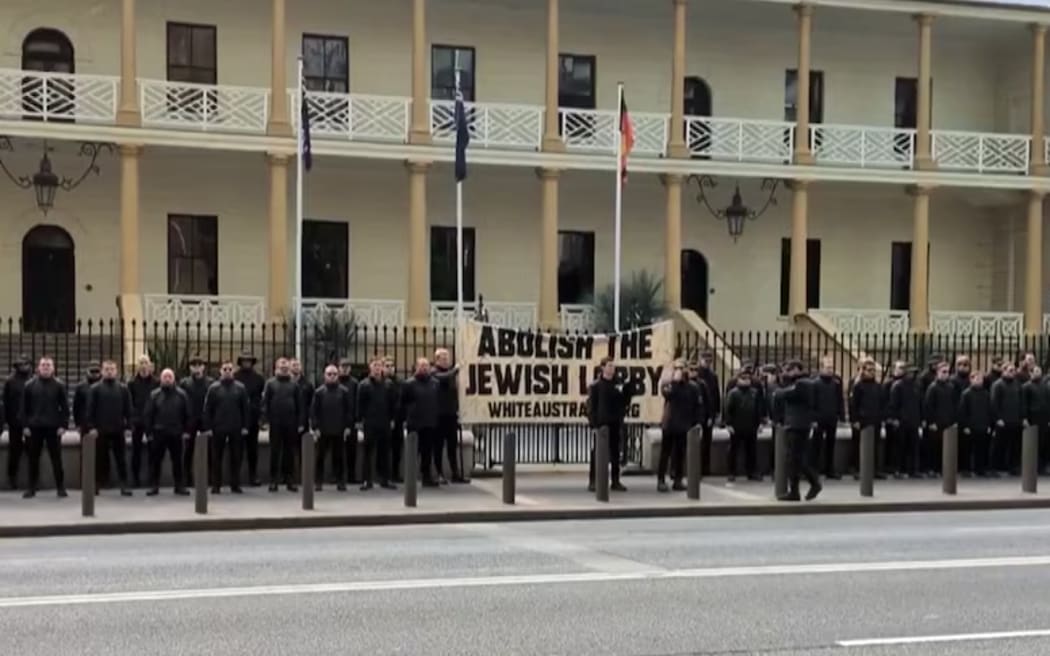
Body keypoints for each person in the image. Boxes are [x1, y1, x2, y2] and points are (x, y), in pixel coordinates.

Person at [20, 357, 69, 499]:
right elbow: (24, 408)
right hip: (34, 427)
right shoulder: (29, 385)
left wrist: (63, 425)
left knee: (57, 459)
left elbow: (65, 408)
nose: (46, 367)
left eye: (48, 365)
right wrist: (25, 426)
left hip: (53, 427)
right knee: (33, 459)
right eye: (43, 365)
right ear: (38, 368)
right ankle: (31, 488)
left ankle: (60, 487)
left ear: (53, 368)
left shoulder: (59, 385)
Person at [586, 357, 636, 493]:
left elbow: (625, 402)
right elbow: (591, 406)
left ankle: (615, 481)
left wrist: (628, 390)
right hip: (602, 424)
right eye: (609, 366)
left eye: (613, 366)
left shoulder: (618, 384)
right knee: (597, 453)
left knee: (615, 453)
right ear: (602, 367)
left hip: (615, 422)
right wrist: (594, 424)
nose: (612, 368)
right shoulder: (596, 386)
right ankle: (593, 481)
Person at [775, 360, 821, 502]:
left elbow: (784, 394)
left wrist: (778, 389)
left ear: (797, 369)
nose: (786, 373)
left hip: (799, 425)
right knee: (795, 460)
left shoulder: (804, 383)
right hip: (795, 424)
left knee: (795, 459)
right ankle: (798, 489)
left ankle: (810, 484)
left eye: (789, 370)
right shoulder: (797, 383)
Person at [85, 360, 133, 496]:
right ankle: (97, 484)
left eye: (112, 369)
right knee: (99, 459)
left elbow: (128, 409)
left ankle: (124, 485)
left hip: (118, 429)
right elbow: (90, 410)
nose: (109, 371)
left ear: (116, 371)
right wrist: (92, 427)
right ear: (102, 371)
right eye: (107, 369)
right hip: (100, 430)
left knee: (121, 459)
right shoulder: (95, 389)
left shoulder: (123, 389)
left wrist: (129, 426)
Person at [203, 361, 249, 493]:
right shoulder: (213, 388)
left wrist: (245, 426)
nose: (227, 371)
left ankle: (235, 484)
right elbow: (207, 409)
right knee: (216, 458)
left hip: (236, 427)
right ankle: (216, 485)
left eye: (230, 369)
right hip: (218, 428)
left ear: (233, 371)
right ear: (220, 371)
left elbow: (245, 408)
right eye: (225, 369)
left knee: (236, 457)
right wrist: (208, 427)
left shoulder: (240, 388)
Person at [144, 368, 191, 496]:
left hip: (176, 433)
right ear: (161, 379)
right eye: (165, 377)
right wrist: (149, 433)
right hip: (158, 433)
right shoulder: (154, 395)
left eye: (170, 377)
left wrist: (186, 431)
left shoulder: (182, 395)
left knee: (177, 461)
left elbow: (187, 414)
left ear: (174, 379)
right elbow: (148, 415)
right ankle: (154, 486)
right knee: (155, 462)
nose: (167, 379)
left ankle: (179, 486)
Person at [658, 360, 702, 492]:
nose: (680, 371)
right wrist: (675, 381)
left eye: (682, 368)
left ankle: (678, 479)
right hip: (670, 424)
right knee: (665, 453)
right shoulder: (669, 384)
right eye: (677, 368)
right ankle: (661, 480)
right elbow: (668, 395)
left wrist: (697, 422)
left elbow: (698, 405)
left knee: (680, 454)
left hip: (684, 424)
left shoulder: (693, 387)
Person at [263, 357, 304, 492]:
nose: (284, 368)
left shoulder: (294, 385)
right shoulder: (270, 384)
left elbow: (300, 405)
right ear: (276, 369)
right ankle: (273, 480)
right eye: (282, 367)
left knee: (289, 453)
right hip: (275, 423)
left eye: (286, 367)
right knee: (275, 452)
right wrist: (266, 420)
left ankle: (289, 480)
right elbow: (265, 404)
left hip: (291, 423)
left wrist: (299, 423)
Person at [358, 357, 398, 490]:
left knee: (385, 452)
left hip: (385, 422)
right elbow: (360, 405)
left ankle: (385, 479)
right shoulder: (363, 385)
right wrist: (360, 421)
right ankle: (366, 480)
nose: (376, 368)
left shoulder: (388, 384)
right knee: (368, 452)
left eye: (379, 366)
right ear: (370, 368)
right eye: (374, 366)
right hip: (370, 423)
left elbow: (393, 403)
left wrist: (392, 419)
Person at [312, 364, 353, 492]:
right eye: (329, 374)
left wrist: (347, 426)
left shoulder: (344, 391)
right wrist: (315, 427)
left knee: (339, 458)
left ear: (338, 375)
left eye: (334, 374)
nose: (332, 376)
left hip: (339, 429)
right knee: (320, 458)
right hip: (323, 430)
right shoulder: (319, 392)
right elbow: (314, 411)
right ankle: (318, 482)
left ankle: (341, 481)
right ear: (325, 375)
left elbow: (348, 411)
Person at [401, 358, 440, 487]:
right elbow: (403, 402)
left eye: (426, 365)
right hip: (415, 423)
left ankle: (426, 477)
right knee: (413, 452)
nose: (424, 368)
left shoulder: (435, 383)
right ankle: (410, 477)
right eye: (421, 365)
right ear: (416, 367)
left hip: (430, 423)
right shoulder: (409, 384)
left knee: (427, 452)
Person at [432, 349, 465, 484]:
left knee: (452, 446)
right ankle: (439, 473)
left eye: (447, 358)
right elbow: (442, 378)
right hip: (439, 415)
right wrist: (456, 370)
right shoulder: (434, 371)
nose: (446, 360)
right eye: (443, 358)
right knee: (438, 446)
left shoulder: (451, 374)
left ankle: (455, 473)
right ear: (437, 359)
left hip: (451, 415)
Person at [849, 358, 885, 480]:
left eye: (873, 370)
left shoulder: (878, 386)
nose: (872, 372)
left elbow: (882, 403)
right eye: (869, 370)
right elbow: (853, 404)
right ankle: (858, 469)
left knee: (874, 445)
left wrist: (881, 417)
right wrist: (854, 420)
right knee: (859, 445)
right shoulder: (858, 386)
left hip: (875, 420)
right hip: (862, 420)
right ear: (863, 371)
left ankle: (874, 469)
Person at [179, 354, 212, 488]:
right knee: (188, 451)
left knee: (209, 451)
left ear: (203, 367)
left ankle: (210, 478)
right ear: (190, 368)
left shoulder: (210, 382)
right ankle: (187, 478)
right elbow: (180, 403)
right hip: (190, 421)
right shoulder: (184, 383)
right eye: (194, 366)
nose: (197, 368)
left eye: (199, 365)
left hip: (205, 421)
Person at [724, 367, 762, 483]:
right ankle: (731, 472)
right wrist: (728, 424)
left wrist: (759, 423)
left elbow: (758, 409)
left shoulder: (754, 393)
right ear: (738, 379)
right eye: (743, 378)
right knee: (734, 450)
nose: (746, 380)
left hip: (751, 426)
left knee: (751, 450)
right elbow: (728, 409)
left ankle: (752, 472)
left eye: (748, 378)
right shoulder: (733, 393)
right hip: (736, 426)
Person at [886, 362, 922, 479]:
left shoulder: (916, 386)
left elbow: (919, 403)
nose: (913, 375)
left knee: (913, 446)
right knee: (900, 447)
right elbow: (893, 404)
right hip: (902, 421)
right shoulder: (898, 386)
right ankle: (898, 469)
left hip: (913, 420)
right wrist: (894, 418)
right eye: (911, 372)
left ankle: (913, 469)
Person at [234, 350, 265, 486]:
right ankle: (236, 477)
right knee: (237, 450)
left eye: (249, 360)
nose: (246, 362)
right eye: (244, 360)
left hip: (253, 417)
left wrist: (261, 416)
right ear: (240, 362)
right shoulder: (235, 377)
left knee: (253, 449)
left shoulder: (259, 378)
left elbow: (261, 399)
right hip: (238, 418)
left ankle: (253, 476)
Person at [810, 356, 844, 479]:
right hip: (819, 418)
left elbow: (840, 400)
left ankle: (830, 469)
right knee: (816, 445)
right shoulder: (815, 382)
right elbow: (812, 401)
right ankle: (813, 469)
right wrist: (813, 418)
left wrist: (841, 415)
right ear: (821, 368)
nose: (830, 370)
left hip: (831, 417)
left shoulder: (836, 382)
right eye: (828, 367)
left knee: (831, 444)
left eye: (831, 367)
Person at [128, 355, 158, 487]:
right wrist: (133, 418)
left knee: (153, 451)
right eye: (141, 363)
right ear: (138, 366)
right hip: (138, 420)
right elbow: (129, 403)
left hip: (152, 421)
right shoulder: (131, 383)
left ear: (150, 365)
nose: (143, 365)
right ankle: (135, 479)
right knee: (136, 451)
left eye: (145, 362)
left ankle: (152, 479)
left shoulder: (156, 382)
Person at [923, 362, 956, 478]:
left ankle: (942, 468)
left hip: (947, 422)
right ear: (937, 373)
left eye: (947, 372)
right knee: (934, 447)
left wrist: (953, 421)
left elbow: (953, 405)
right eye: (943, 372)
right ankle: (932, 468)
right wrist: (931, 422)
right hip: (936, 423)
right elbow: (928, 406)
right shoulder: (932, 388)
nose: (946, 374)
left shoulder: (950, 387)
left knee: (945, 448)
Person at [3, 354, 32, 489]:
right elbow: (6, 402)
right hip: (15, 421)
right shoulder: (10, 381)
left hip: (31, 421)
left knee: (33, 451)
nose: (23, 367)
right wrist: (7, 420)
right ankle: (12, 477)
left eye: (25, 364)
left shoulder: (33, 380)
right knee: (14, 450)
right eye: (21, 365)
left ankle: (33, 479)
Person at [991, 362, 1024, 476]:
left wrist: (1021, 417)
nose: (1012, 373)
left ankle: (1012, 467)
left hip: (1015, 419)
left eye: (1013, 370)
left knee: (1014, 446)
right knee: (1000, 445)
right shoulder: (998, 385)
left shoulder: (1017, 384)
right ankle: (997, 467)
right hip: (1003, 420)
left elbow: (1021, 401)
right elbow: (994, 403)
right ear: (1003, 371)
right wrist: (997, 418)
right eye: (1010, 370)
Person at [959, 370, 993, 477]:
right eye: (977, 379)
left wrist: (988, 424)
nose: (979, 381)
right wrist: (965, 426)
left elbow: (989, 410)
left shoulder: (986, 393)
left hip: (982, 425)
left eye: (981, 379)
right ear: (971, 380)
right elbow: (962, 411)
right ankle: (966, 469)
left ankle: (980, 469)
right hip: (970, 426)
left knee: (981, 449)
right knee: (968, 449)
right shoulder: (966, 394)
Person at [72, 362, 102, 485]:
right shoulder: (81, 387)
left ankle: (99, 480)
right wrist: (78, 423)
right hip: (85, 424)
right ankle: (84, 480)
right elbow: (76, 406)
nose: (94, 374)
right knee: (85, 454)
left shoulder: (103, 385)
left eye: (97, 371)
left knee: (100, 454)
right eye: (92, 371)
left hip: (100, 424)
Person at [696, 352, 721, 477]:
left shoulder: (712, 376)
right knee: (695, 442)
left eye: (709, 361)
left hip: (708, 413)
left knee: (707, 442)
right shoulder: (697, 375)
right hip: (696, 413)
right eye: (705, 360)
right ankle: (696, 468)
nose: (707, 363)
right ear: (700, 360)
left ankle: (705, 468)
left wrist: (715, 413)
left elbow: (715, 395)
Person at [337, 358, 359, 483]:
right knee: (338, 450)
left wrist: (357, 419)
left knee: (352, 450)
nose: (344, 368)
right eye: (342, 366)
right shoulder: (335, 381)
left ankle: (351, 475)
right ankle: (338, 475)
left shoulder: (355, 383)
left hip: (351, 421)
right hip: (337, 421)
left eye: (347, 366)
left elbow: (357, 402)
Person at [950, 356, 973, 476]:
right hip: (958, 416)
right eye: (960, 365)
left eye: (965, 365)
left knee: (968, 444)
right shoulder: (953, 381)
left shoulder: (970, 380)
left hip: (970, 416)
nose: (963, 367)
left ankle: (967, 467)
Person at [385, 356, 405, 483]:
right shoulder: (381, 382)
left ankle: (395, 473)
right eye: (387, 366)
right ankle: (385, 474)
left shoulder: (400, 382)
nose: (390, 368)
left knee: (397, 449)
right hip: (384, 420)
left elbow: (403, 401)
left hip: (398, 420)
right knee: (385, 449)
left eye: (392, 366)